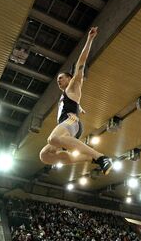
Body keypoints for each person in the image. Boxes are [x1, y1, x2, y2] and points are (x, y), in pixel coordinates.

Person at [39, 26, 112, 174]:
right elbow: (73, 102)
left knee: (53, 139)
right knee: (45, 156)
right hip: (67, 124)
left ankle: (100, 157)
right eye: (57, 79)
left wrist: (89, 39)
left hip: (72, 122)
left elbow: (81, 62)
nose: (58, 81)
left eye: (61, 78)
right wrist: (80, 106)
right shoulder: (66, 95)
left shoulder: (74, 84)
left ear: (70, 78)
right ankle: (88, 158)